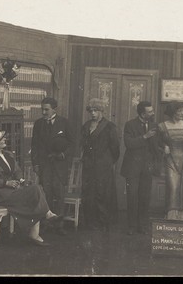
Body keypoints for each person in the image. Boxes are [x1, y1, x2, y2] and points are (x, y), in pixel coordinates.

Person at [0, 129, 61, 246]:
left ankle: (38, 229)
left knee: (35, 190)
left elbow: (17, 170)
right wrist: (6, 183)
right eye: (1, 138)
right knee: (35, 191)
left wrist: (21, 180)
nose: (4, 139)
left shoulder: (8, 155)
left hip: (14, 190)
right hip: (2, 194)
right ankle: (44, 219)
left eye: (3, 137)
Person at [31, 97, 75, 235]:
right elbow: (35, 145)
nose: (44, 112)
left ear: (54, 109)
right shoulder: (38, 124)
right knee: (46, 194)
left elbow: (72, 144)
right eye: (42, 109)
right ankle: (46, 224)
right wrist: (36, 164)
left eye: (46, 109)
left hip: (60, 165)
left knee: (59, 193)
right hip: (45, 166)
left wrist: (63, 155)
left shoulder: (64, 123)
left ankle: (59, 226)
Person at [80, 98, 120, 231]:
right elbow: (83, 145)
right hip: (88, 165)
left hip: (103, 166)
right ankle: (90, 222)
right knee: (89, 193)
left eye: (96, 110)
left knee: (102, 193)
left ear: (101, 111)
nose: (93, 113)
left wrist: (107, 161)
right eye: (91, 111)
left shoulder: (110, 127)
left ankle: (103, 222)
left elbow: (115, 149)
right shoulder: (86, 126)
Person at [121, 101, 160, 235]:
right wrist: (145, 136)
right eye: (150, 111)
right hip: (132, 168)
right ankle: (131, 227)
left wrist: (163, 148)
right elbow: (129, 144)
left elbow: (156, 146)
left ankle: (142, 226)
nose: (153, 113)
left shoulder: (154, 126)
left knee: (145, 197)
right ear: (143, 114)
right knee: (132, 197)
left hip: (147, 168)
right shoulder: (130, 125)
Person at [157, 101, 183, 220]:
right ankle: (171, 216)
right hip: (170, 159)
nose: (182, 113)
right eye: (180, 111)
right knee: (173, 186)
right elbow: (156, 143)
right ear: (173, 112)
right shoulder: (162, 126)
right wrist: (164, 146)